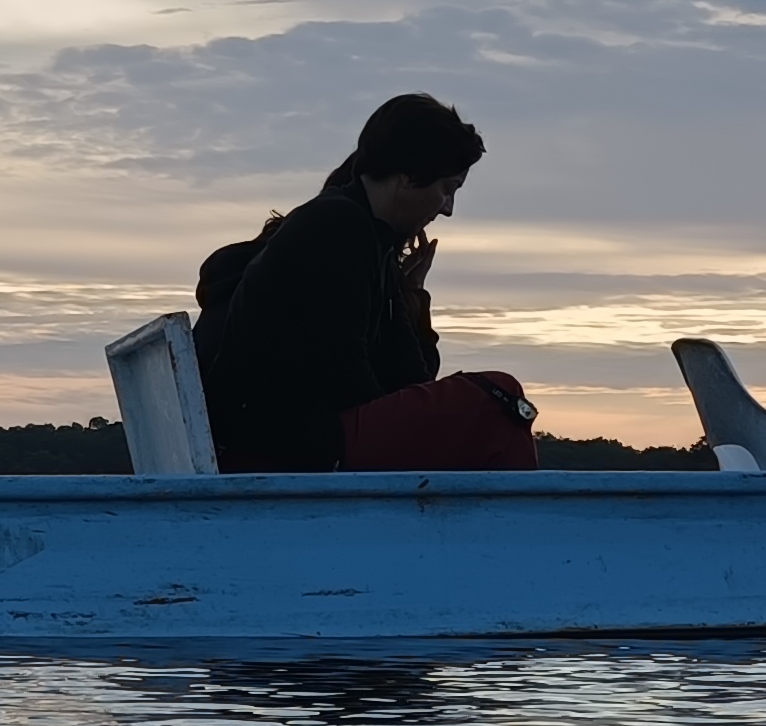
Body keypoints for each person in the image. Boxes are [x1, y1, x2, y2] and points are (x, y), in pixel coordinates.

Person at [198, 93, 539, 473]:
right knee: (497, 400)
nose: (447, 208)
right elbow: (345, 377)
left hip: (295, 437)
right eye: (447, 189)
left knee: (484, 406)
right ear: (409, 176)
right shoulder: (336, 226)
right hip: (288, 442)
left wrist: (411, 296)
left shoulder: (367, 239)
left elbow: (413, 378)